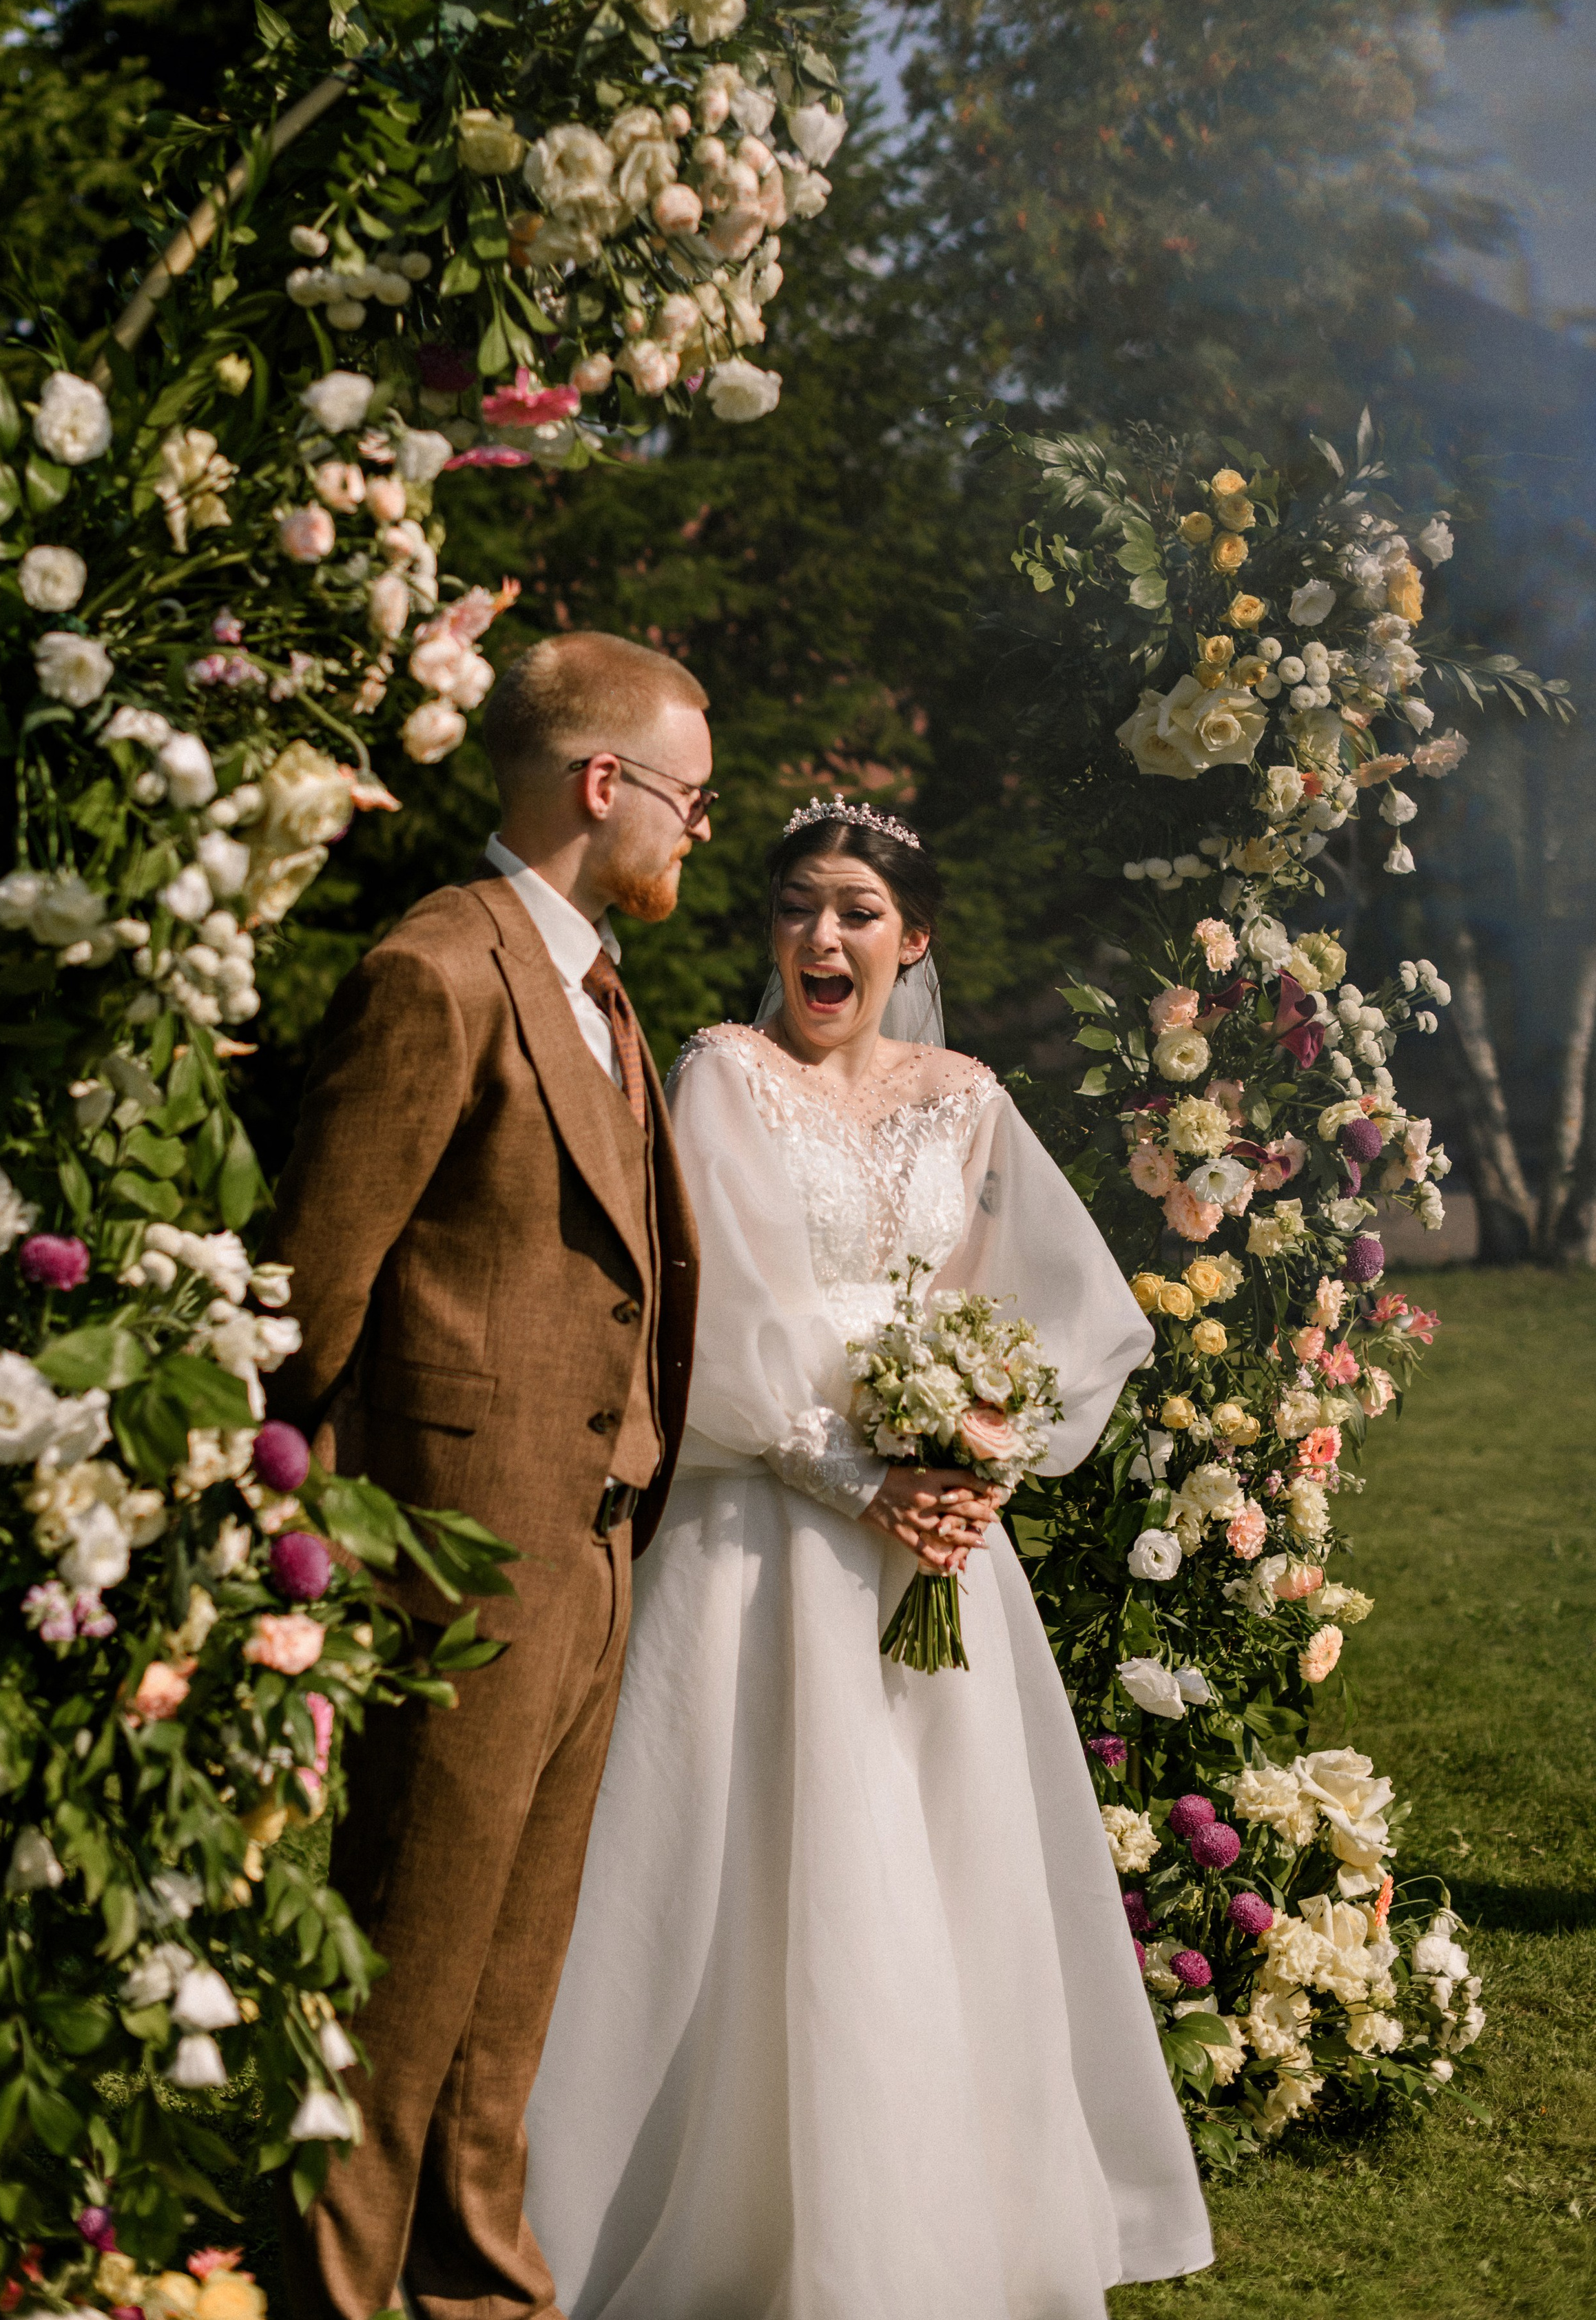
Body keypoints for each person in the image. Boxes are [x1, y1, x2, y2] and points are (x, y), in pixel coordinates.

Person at [524, 802, 1214, 2318]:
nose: (818, 940)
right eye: (793, 908)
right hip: (762, 1528)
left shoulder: (965, 1097)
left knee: (935, 1855)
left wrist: (984, 1455)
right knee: (748, 1845)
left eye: (851, 912)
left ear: (915, 938)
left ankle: (937, 2207)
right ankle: (705, 2209)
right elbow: (704, 1324)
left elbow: (1059, 1307)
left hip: (936, 1544)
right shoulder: (717, 1076)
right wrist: (854, 1474)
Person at [263, 631, 712, 2320]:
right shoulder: (437, 971)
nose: (698, 833)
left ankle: (475, 2298)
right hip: (448, 1570)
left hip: (589, 1563)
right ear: (605, 786)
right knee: (396, 1994)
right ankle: (317, 2303)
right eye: (690, 796)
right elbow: (308, 1299)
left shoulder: (604, 993)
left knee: (499, 2018)